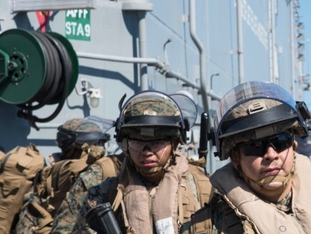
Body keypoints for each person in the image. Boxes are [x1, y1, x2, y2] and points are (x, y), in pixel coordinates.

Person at [188, 81, 311, 234]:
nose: (271, 155)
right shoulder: (208, 227)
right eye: (255, 145)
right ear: (235, 157)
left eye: (280, 141)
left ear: (293, 145)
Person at [70, 90, 211, 233]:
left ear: (174, 143)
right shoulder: (104, 195)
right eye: (137, 142)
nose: (147, 152)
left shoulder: (203, 190)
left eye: (157, 142)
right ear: (126, 144)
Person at [15, 116, 112, 234]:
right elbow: (25, 225)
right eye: (95, 145)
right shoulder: (52, 178)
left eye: (100, 144)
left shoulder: (100, 175)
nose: (98, 150)